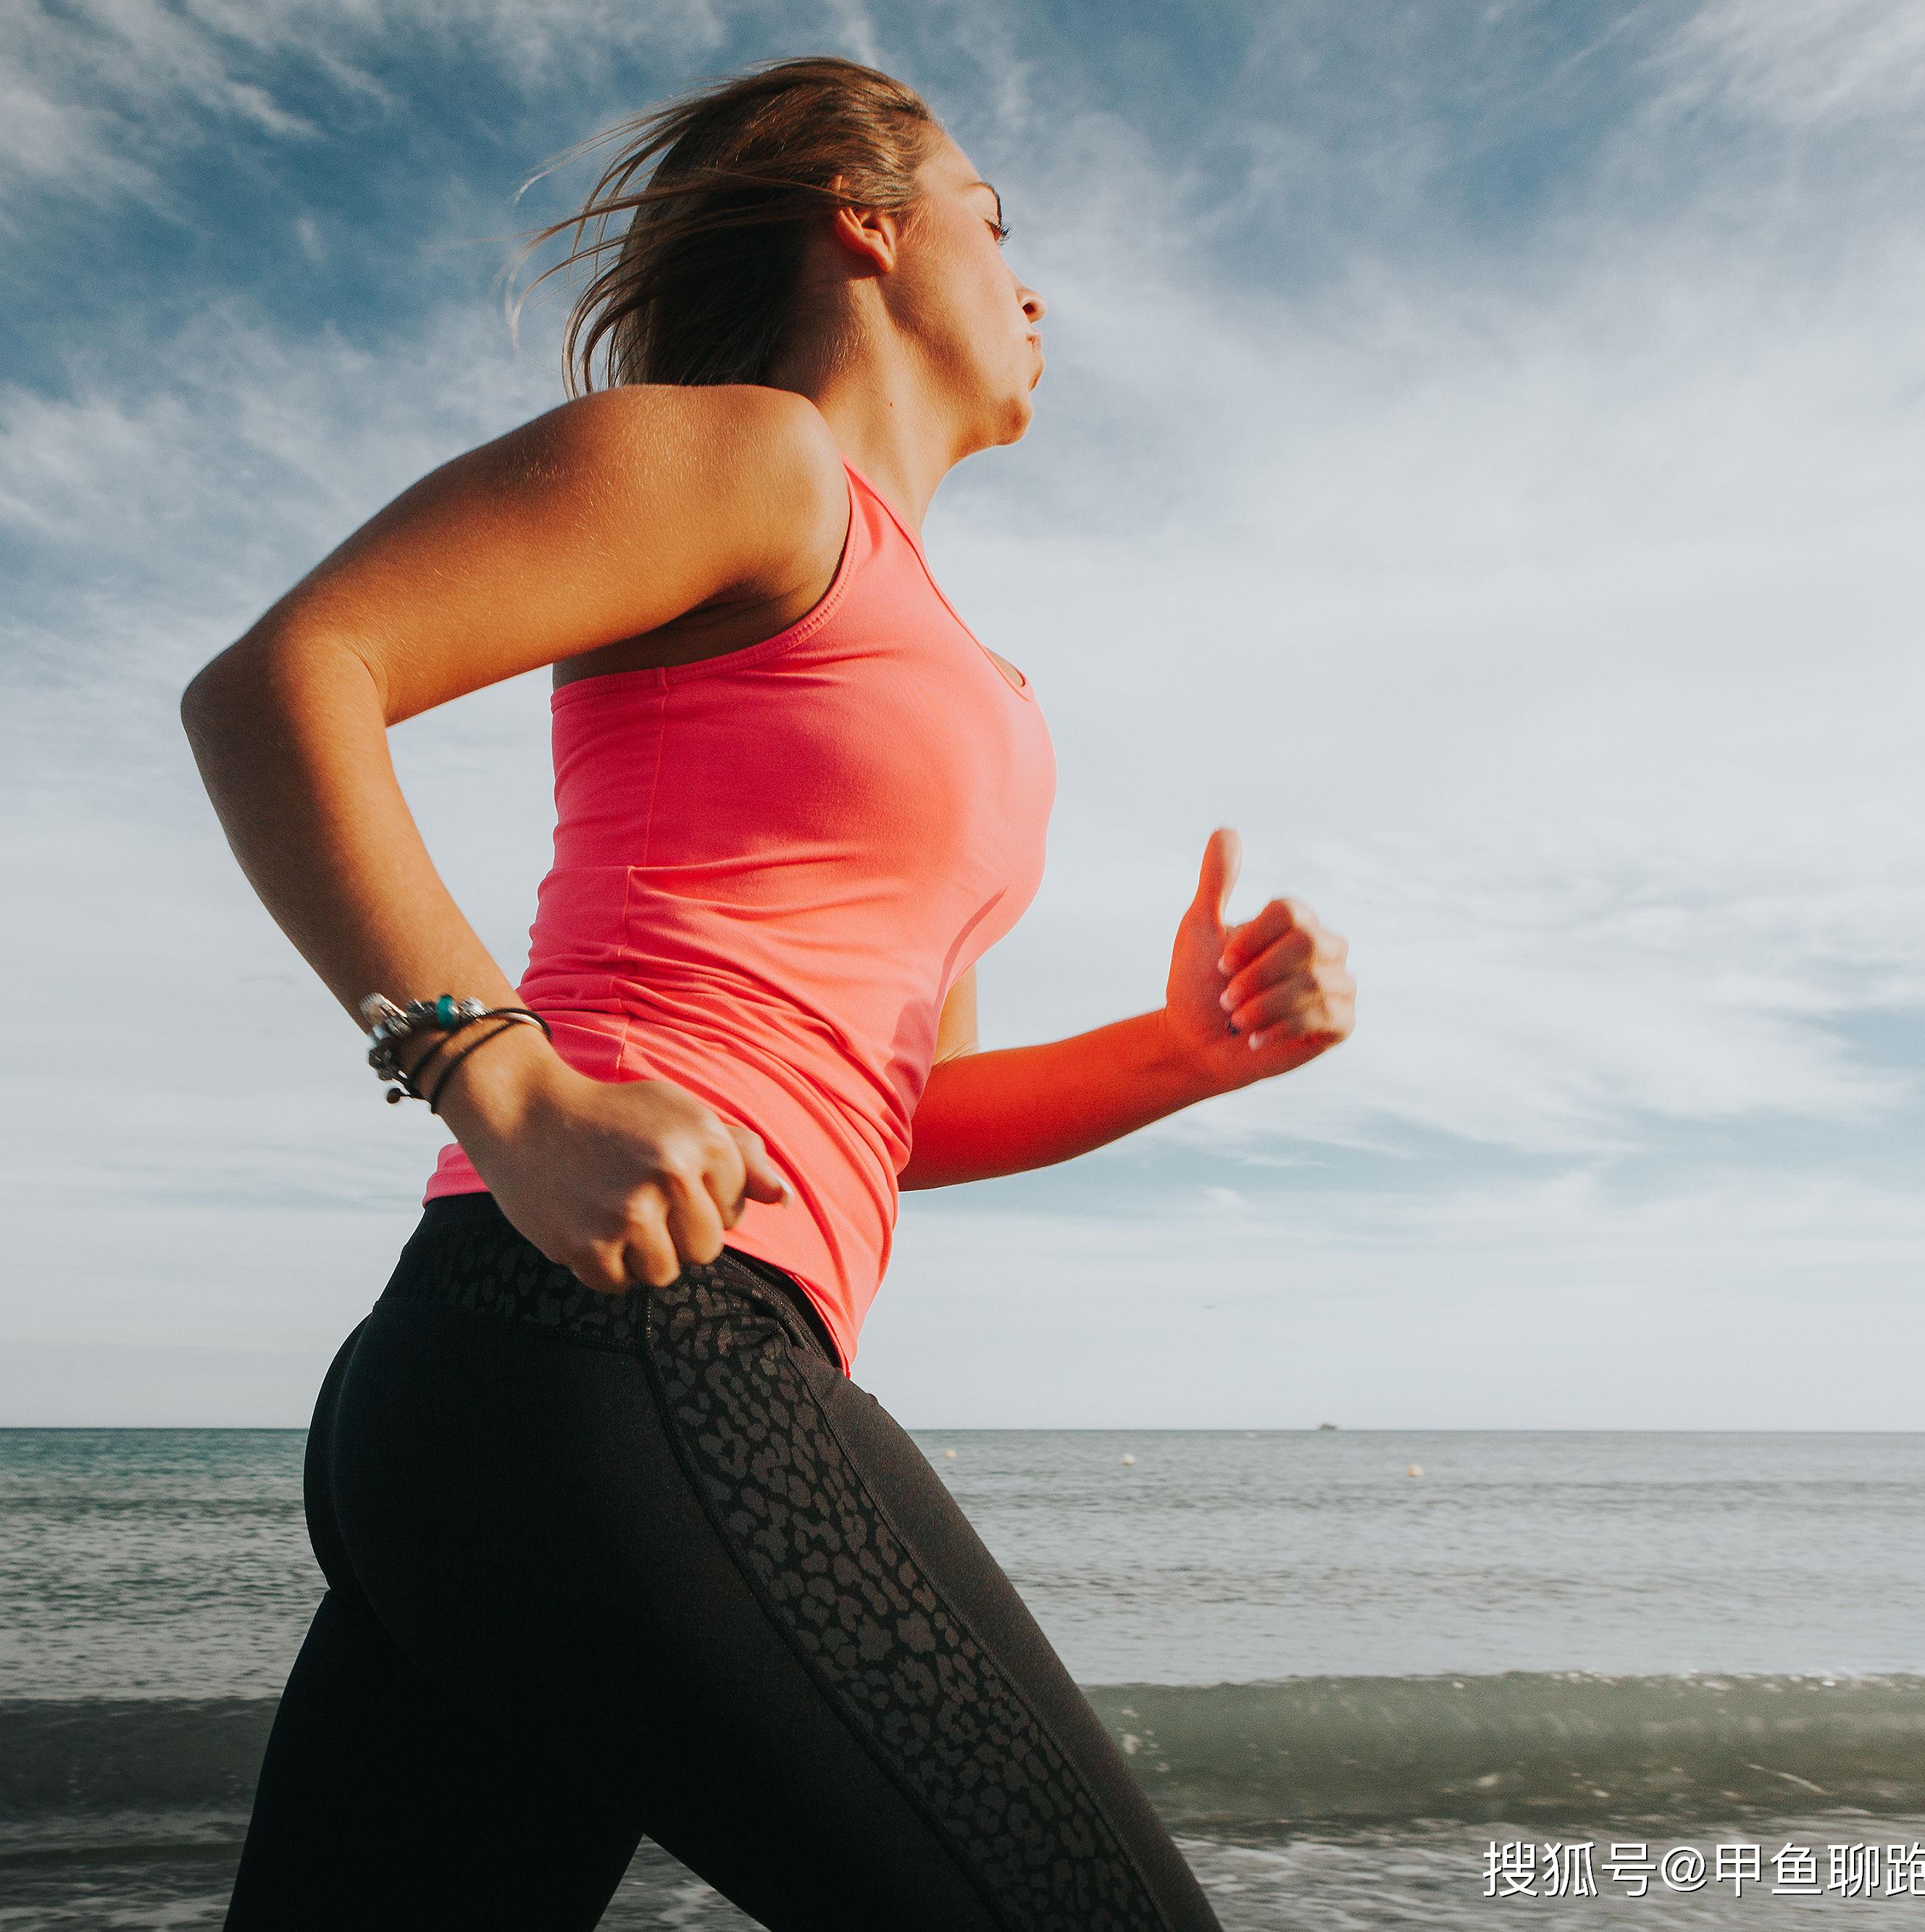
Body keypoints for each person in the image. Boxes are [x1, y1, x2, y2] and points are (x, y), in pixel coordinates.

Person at [183, 53, 1353, 1932]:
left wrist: (1181, 1054)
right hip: (604, 1342)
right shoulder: (754, 460)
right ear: (868, 222)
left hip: (544, 1400)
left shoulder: (976, 678)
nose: (1035, 284)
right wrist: (504, 1078)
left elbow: (902, 1119)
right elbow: (284, 679)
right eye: (995, 216)